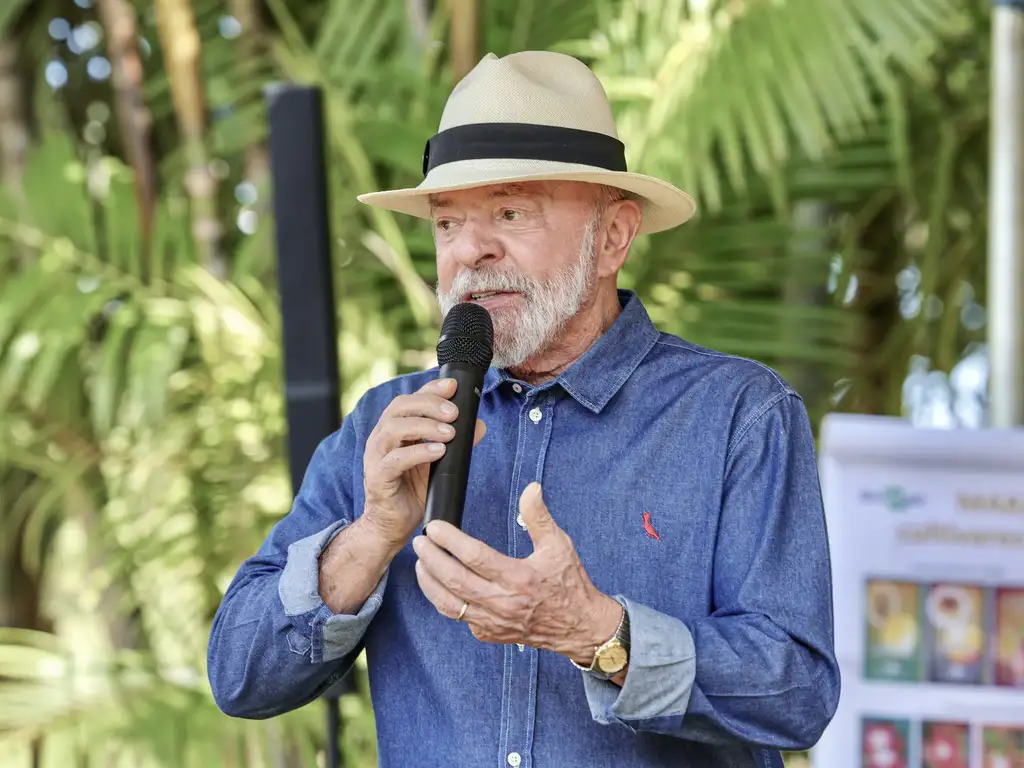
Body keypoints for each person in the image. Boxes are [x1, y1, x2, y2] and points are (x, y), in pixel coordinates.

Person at [208, 50, 841, 767]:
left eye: (510, 212)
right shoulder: (386, 424)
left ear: (613, 236)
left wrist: (598, 633)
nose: (470, 252)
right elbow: (239, 678)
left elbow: (797, 694)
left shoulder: (737, 416)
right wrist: (373, 534)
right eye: (448, 224)